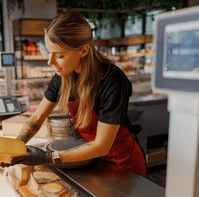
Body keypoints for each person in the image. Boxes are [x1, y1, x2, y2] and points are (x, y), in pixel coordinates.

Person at [10, 11, 147, 177]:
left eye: (59, 55)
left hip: (123, 163)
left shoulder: (112, 82)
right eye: (48, 52)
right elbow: (37, 117)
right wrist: (14, 148)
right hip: (92, 158)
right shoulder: (63, 75)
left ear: (83, 50)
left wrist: (47, 157)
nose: (50, 61)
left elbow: (102, 146)